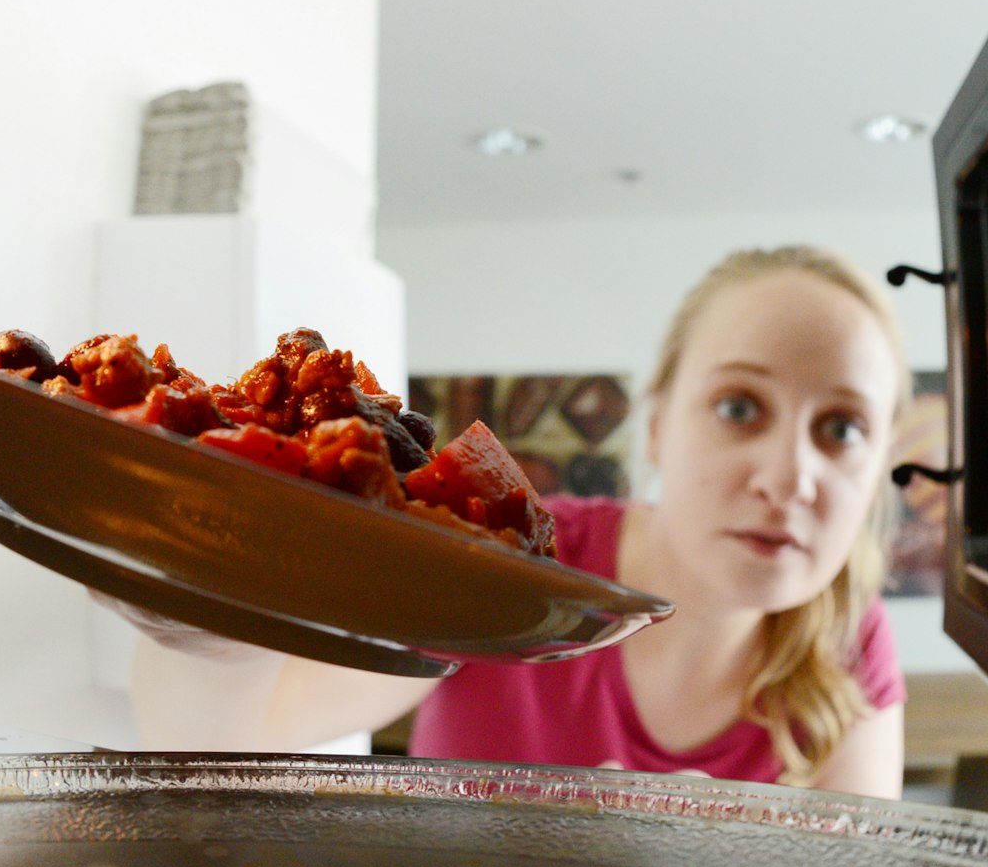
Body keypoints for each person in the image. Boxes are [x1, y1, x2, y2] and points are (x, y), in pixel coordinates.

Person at [126, 246, 912, 798]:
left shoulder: (851, 636)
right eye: (740, 408)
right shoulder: (511, 556)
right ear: (656, 424)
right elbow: (241, 735)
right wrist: (195, 617)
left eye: (843, 428)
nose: (789, 479)